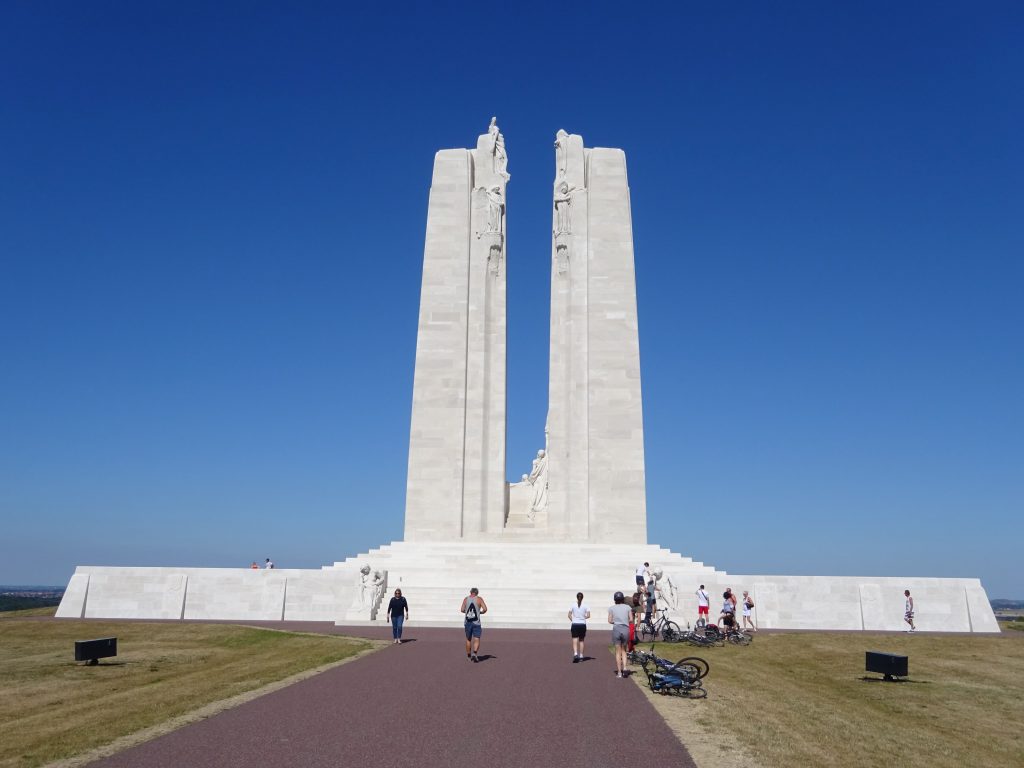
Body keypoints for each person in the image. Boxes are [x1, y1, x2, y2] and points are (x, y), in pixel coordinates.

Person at [460, 587, 488, 662]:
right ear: (477, 593)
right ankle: (474, 653)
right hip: (476, 622)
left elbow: (462, 609)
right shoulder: (479, 599)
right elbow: (485, 609)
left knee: (468, 639)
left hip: (467, 622)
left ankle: (469, 656)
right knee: (477, 638)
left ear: (470, 592)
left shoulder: (466, 599)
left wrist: (467, 612)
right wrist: (480, 612)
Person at [608, 591, 631, 678]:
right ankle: (625, 668)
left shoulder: (611, 608)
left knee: (617, 652)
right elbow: (631, 619)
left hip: (616, 628)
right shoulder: (628, 607)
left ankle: (619, 673)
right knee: (624, 650)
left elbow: (609, 620)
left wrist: (616, 621)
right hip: (625, 629)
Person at [568, 592, 591, 662]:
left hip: (575, 624)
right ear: (582, 597)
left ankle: (575, 654)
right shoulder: (586, 605)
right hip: (582, 624)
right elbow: (588, 615)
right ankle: (581, 655)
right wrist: (583, 617)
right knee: (581, 640)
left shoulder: (573, 605)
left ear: (577, 597)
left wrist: (573, 620)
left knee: (575, 640)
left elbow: (569, 615)